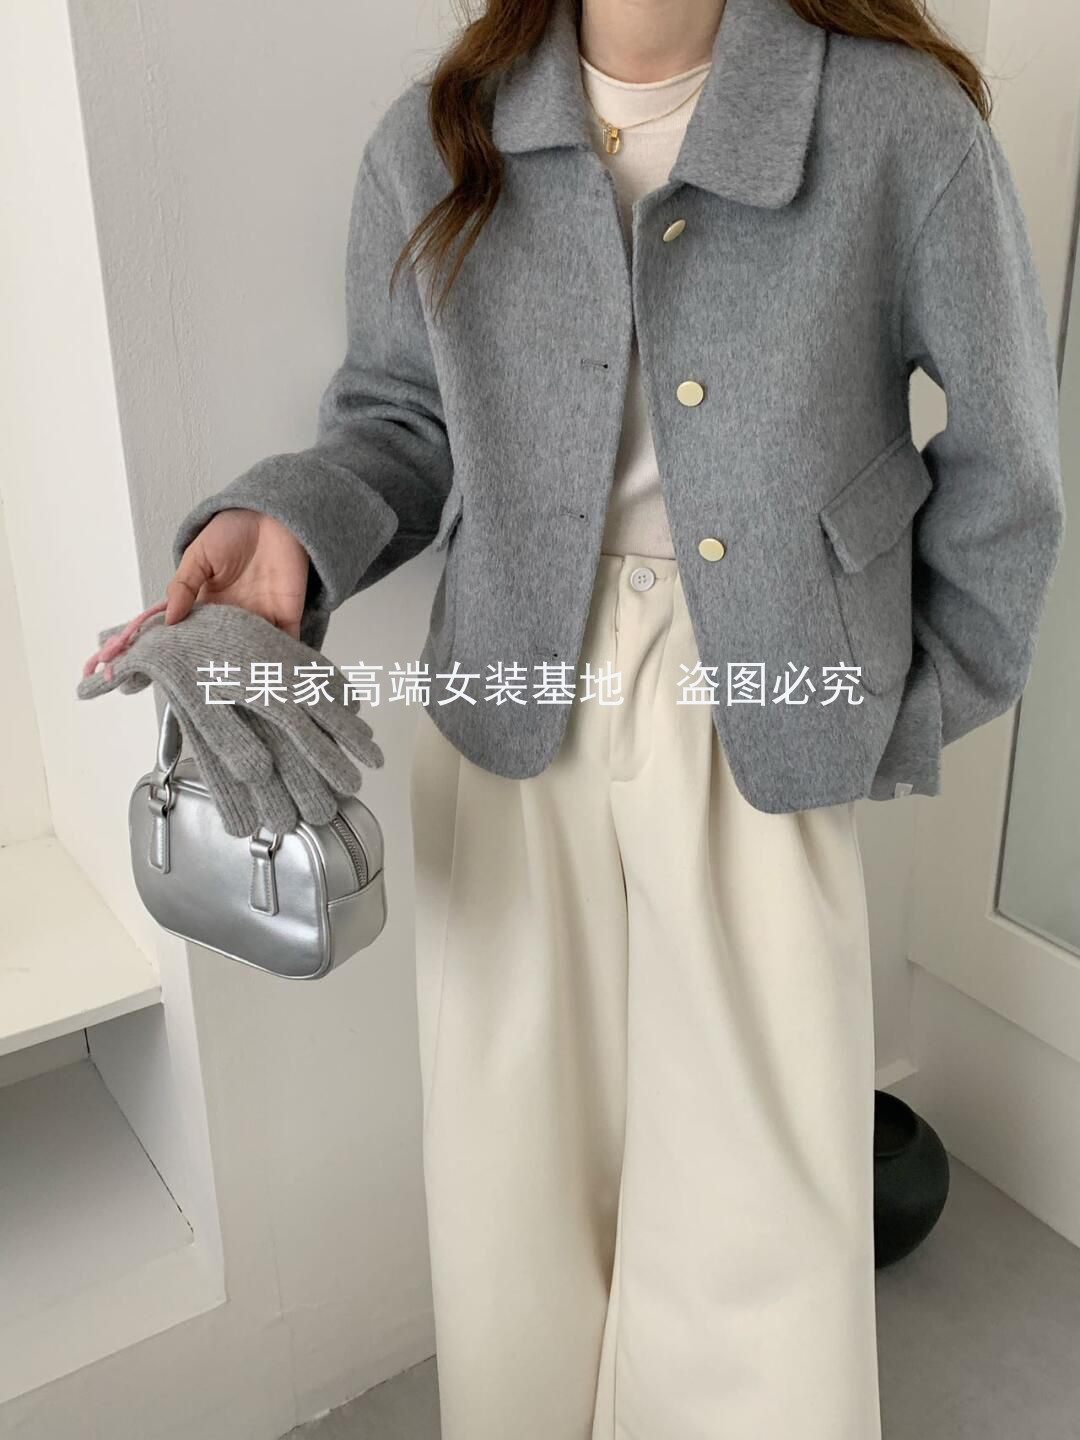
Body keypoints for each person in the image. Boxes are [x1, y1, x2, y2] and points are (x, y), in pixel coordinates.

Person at [165, 0, 1066, 1435]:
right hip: (512, 690)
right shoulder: (437, 139)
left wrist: (900, 705)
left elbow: (1010, 467)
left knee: (760, 1185)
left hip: (759, 696)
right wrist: (285, 524)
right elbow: (398, 418)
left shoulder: (898, 126)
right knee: (509, 1169)